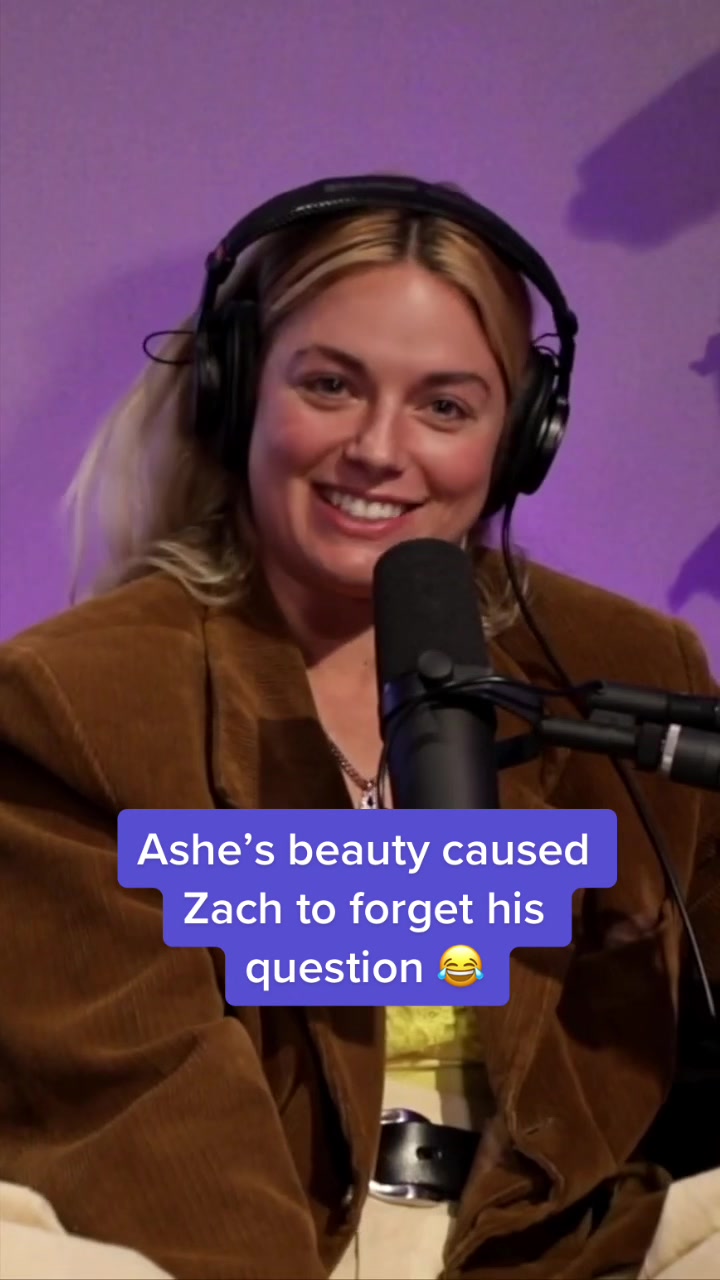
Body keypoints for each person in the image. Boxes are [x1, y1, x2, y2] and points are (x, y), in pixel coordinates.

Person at [0, 175, 718, 1280]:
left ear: (520, 438)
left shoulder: (622, 667)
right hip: (223, 1247)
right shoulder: (81, 703)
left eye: (446, 406)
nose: (380, 448)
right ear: (236, 387)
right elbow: (157, 1136)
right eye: (330, 384)